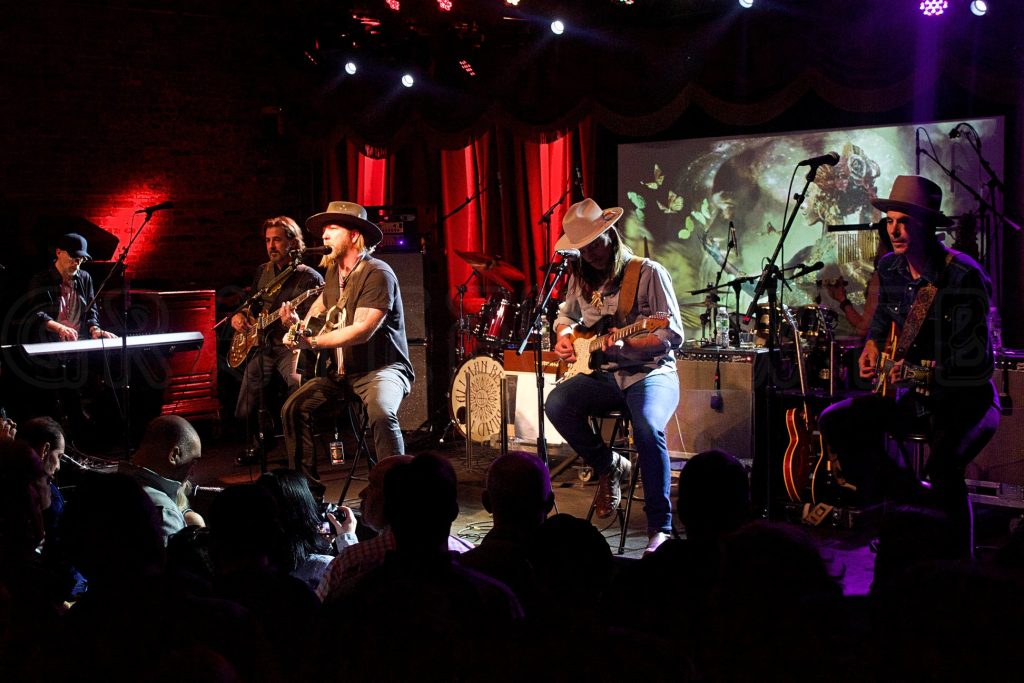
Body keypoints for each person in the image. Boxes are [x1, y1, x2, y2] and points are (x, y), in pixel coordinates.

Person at [818, 175, 1001, 556]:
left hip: (969, 403)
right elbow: (882, 324)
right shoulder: (890, 269)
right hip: (918, 400)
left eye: (905, 222)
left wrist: (914, 373)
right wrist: (871, 346)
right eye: (890, 221)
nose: (894, 229)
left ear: (927, 226)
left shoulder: (963, 276)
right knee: (835, 421)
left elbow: (976, 366)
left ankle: (960, 564)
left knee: (945, 466)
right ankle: (915, 497)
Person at [544, 198, 684, 555]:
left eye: (595, 242)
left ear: (611, 234)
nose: (590, 252)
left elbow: (672, 335)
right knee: (557, 403)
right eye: (582, 247)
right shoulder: (580, 278)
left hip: (650, 373)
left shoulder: (648, 272)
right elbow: (565, 316)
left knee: (648, 429)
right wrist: (564, 336)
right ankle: (610, 466)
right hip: (605, 375)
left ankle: (660, 528)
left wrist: (630, 349)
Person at [280, 201, 414, 488]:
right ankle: (306, 495)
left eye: (333, 228)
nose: (324, 235)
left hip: (382, 369)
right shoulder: (333, 275)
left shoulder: (377, 273)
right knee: (293, 407)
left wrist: (311, 341)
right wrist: (295, 327)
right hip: (343, 375)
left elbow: (362, 331)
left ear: (354, 235)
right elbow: (318, 314)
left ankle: (395, 490)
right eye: (324, 229)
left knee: (380, 410)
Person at [231, 216, 324, 463]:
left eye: (277, 240)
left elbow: (316, 321)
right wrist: (240, 316)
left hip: (291, 347)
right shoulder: (263, 271)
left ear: (293, 243)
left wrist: (294, 323)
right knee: (243, 410)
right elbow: (252, 305)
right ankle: (264, 436)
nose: (271, 246)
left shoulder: (310, 278)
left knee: (297, 386)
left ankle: (302, 452)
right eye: (268, 241)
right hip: (264, 346)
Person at [118, 414, 205, 543]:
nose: (192, 473)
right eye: (193, 462)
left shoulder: (112, 486)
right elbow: (171, 563)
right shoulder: (165, 513)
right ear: (174, 455)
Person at [26, 232, 117, 343]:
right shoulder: (41, 280)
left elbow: (91, 310)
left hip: (78, 343)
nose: (77, 263)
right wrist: (60, 328)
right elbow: (36, 314)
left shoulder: (85, 278)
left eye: (81, 258)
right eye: (73, 256)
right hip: (50, 342)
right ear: (58, 252)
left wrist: (95, 329)